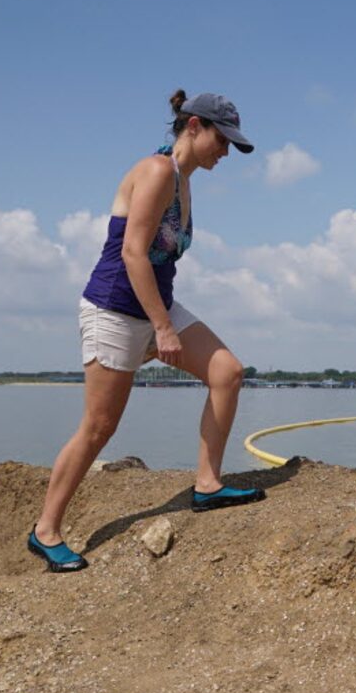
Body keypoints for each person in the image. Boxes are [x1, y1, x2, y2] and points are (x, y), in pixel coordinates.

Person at [28, 89, 264, 573]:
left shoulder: (186, 182)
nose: (226, 152)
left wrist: (163, 321)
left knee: (227, 372)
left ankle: (207, 485)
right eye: (223, 140)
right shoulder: (157, 171)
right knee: (98, 429)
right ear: (194, 126)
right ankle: (45, 530)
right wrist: (163, 329)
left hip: (156, 303)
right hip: (114, 308)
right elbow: (134, 253)